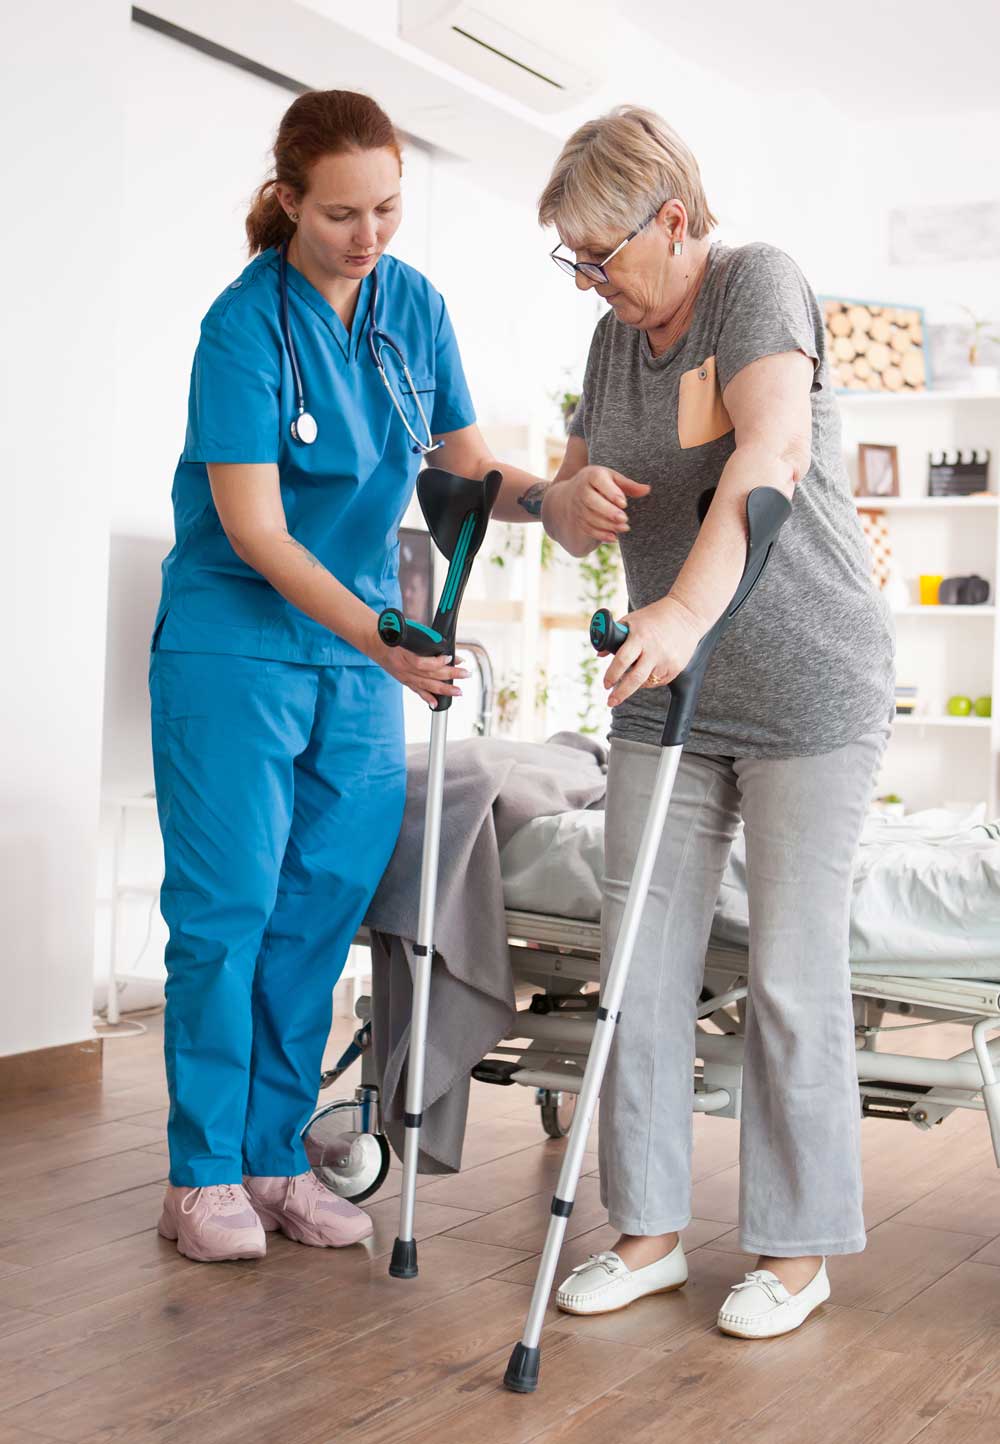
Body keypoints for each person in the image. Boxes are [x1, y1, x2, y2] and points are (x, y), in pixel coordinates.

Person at [151, 89, 626, 1264]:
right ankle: (200, 1172)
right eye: (343, 213)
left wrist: (549, 502)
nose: (370, 234)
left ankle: (270, 1161)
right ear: (287, 201)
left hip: (363, 657)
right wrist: (385, 635)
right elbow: (257, 531)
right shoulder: (241, 326)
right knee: (226, 915)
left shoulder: (413, 306)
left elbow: (462, 473)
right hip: (239, 647)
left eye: (389, 207)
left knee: (315, 915)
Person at [530, 105, 895, 1339]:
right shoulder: (608, 336)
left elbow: (771, 454)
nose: (590, 278)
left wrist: (685, 608)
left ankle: (796, 1253)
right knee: (638, 961)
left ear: (672, 221)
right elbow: (581, 496)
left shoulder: (757, 288)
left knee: (791, 977)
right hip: (667, 694)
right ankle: (646, 1234)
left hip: (805, 686)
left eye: (601, 254)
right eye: (571, 259)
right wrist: (568, 500)